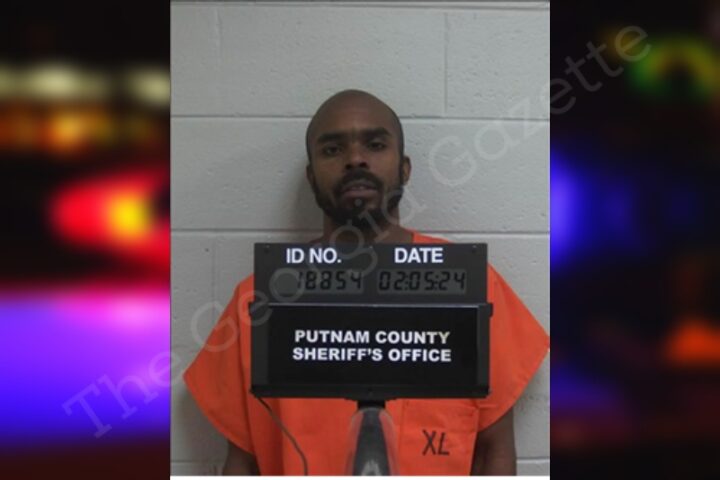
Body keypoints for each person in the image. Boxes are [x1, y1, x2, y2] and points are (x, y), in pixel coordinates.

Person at [183, 90, 549, 475]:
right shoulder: (258, 300)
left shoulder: (471, 284)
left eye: (375, 145)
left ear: (404, 169)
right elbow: (241, 462)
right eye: (332, 149)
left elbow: (495, 451)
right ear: (311, 177)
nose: (355, 159)